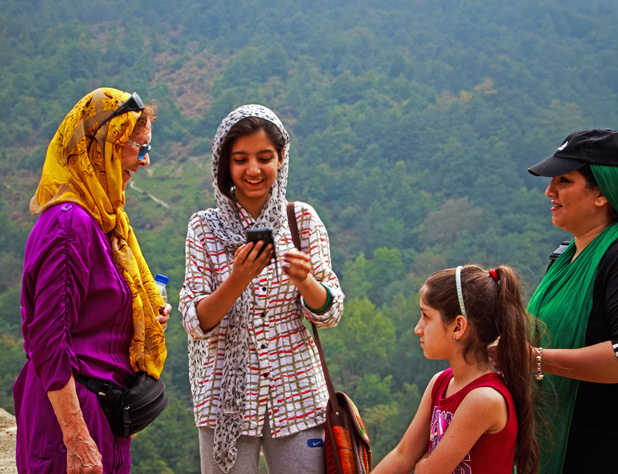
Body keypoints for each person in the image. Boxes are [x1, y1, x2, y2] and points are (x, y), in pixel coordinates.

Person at [178, 104, 344, 474]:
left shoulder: (301, 220)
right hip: (226, 401)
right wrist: (237, 279)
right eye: (240, 159)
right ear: (225, 164)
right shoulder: (204, 228)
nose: (253, 170)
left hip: (298, 394)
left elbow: (331, 311)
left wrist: (306, 282)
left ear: (281, 158)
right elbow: (194, 321)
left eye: (264, 157)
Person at [13, 88, 170, 473]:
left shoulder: (103, 221)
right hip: (70, 422)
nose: (145, 161)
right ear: (103, 146)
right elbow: (49, 341)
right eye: (138, 147)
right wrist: (77, 439)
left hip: (101, 414)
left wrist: (138, 316)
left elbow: (93, 313)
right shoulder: (71, 225)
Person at [373, 265, 539, 474]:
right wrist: (421, 461)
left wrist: (423, 462)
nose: (417, 328)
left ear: (458, 327)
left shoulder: (484, 399)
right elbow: (403, 455)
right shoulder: (440, 383)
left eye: (426, 316)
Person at [526, 129, 618, 473]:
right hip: (552, 450)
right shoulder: (564, 257)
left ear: (602, 193)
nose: (550, 191)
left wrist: (536, 360)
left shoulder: (613, 257)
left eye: (564, 180)